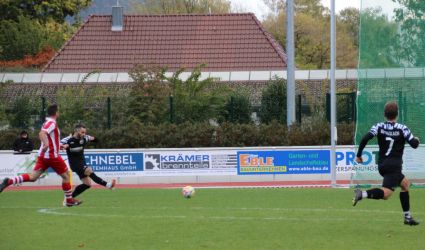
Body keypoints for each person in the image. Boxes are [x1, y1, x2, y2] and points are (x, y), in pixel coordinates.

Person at [0, 104, 82, 207]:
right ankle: (69, 200)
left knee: (33, 177)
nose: (59, 112)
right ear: (56, 113)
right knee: (66, 176)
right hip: (52, 156)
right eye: (59, 111)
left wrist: (58, 145)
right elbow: (42, 134)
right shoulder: (52, 123)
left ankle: (9, 181)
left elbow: (49, 137)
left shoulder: (47, 122)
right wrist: (47, 144)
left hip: (44, 156)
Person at [352, 101, 420, 226]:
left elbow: (365, 138)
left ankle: (407, 217)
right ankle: (362, 194)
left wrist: (359, 155)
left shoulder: (378, 126)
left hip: (382, 165)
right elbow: (414, 145)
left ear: (384, 114)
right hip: (394, 166)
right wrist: (416, 139)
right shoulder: (402, 128)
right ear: (397, 114)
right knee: (387, 194)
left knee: (405, 184)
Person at [61, 124, 116, 199]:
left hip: (82, 163)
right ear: (76, 131)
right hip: (74, 164)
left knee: (87, 184)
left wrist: (94, 139)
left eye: (85, 132)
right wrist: (63, 146)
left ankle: (68, 198)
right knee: (89, 170)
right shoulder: (67, 139)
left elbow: (96, 140)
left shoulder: (85, 137)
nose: (84, 134)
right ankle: (108, 185)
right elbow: (60, 145)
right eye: (82, 132)